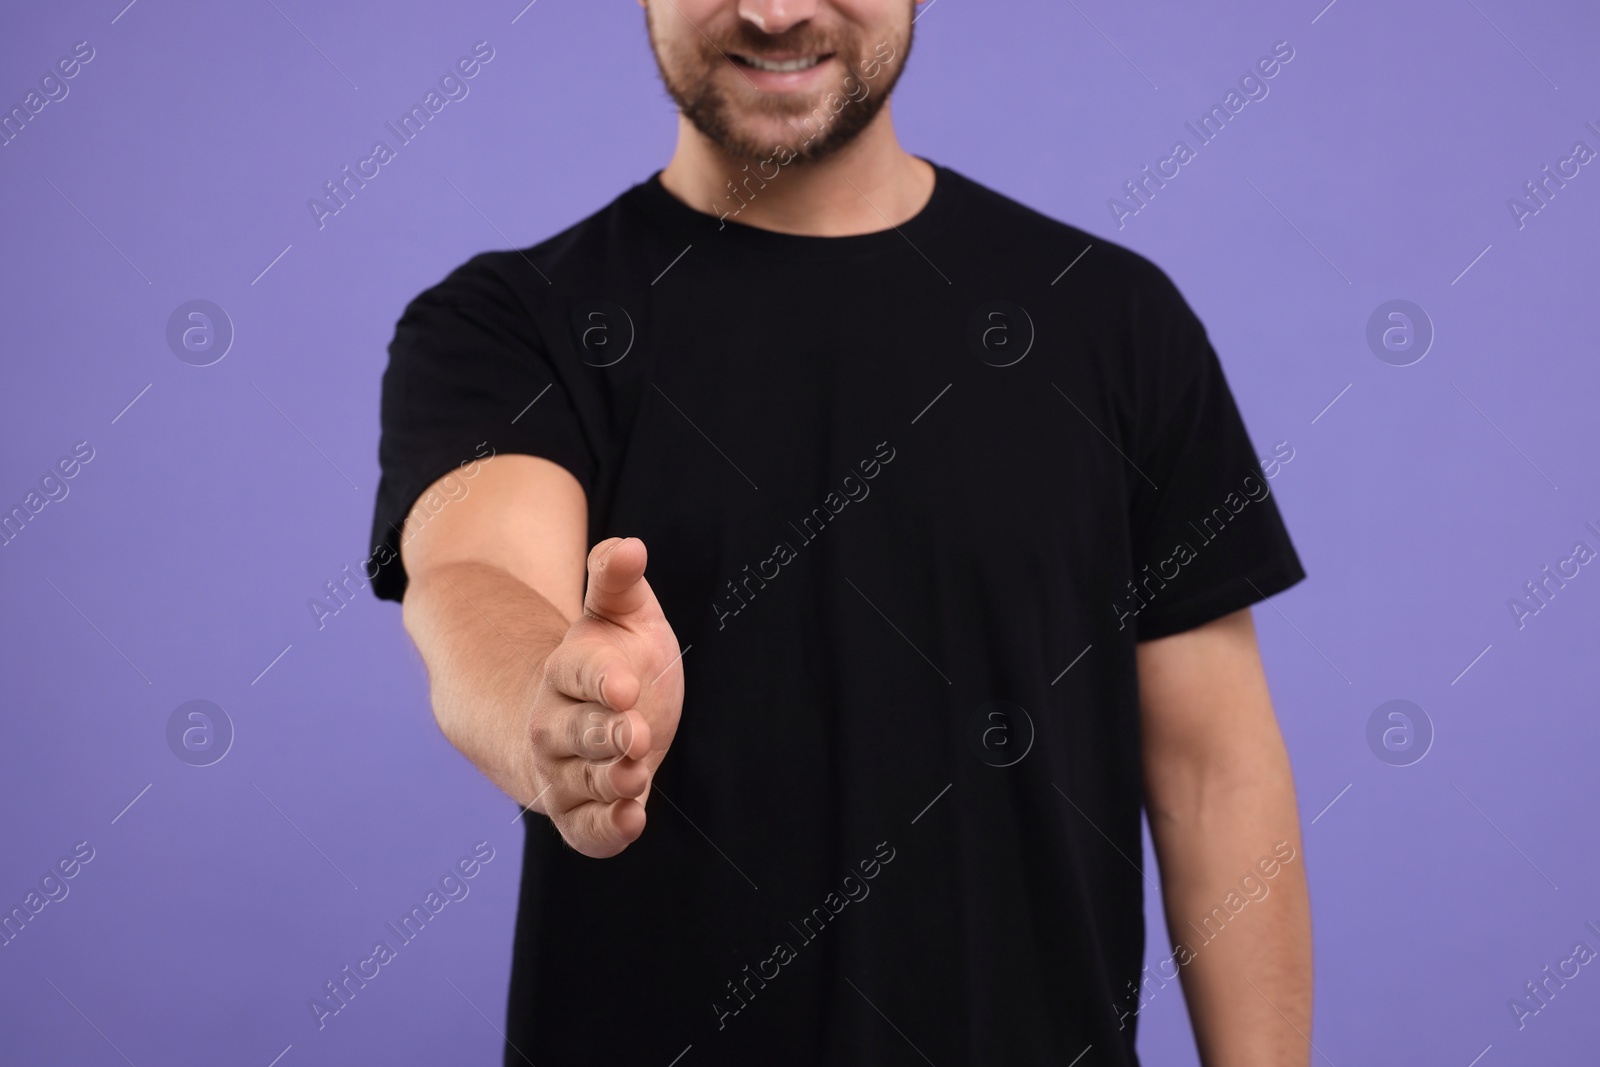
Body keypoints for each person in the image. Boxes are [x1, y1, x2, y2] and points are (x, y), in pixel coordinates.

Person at [367, 1, 1313, 1063]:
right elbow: (477, 575)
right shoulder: (510, 323)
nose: (775, 11)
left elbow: (1212, 769)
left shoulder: (1116, 322)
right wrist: (551, 703)